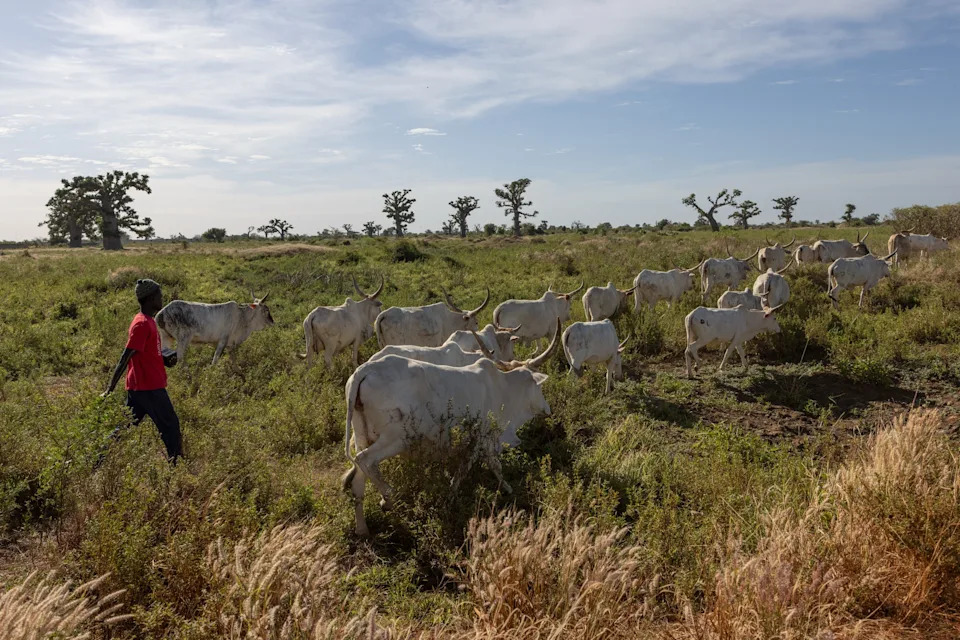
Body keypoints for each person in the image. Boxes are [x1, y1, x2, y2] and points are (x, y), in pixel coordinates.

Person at [98, 278, 182, 465]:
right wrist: (109, 388)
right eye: (159, 295)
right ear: (151, 298)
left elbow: (145, 352)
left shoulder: (148, 321)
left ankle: (97, 459)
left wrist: (163, 357)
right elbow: (126, 356)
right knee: (171, 427)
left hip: (140, 387)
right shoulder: (142, 324)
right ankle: (178, 469)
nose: (162, 298)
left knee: (125, 426)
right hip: (149, 388)